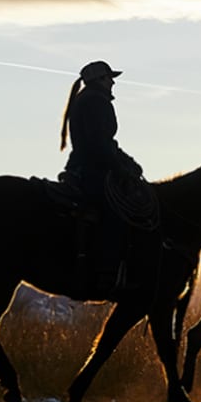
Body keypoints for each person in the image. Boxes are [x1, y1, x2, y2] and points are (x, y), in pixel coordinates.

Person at [59, 60, 142, 290]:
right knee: (119, 210)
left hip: (82, 165)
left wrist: (127, 162)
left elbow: (104, 143)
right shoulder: (97, 102)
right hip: (94, 168)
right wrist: (123, 169)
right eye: (109, 77)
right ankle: (108, 272)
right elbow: (100, 145)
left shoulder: (85, 100)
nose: (113, 81)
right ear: (98, 80)